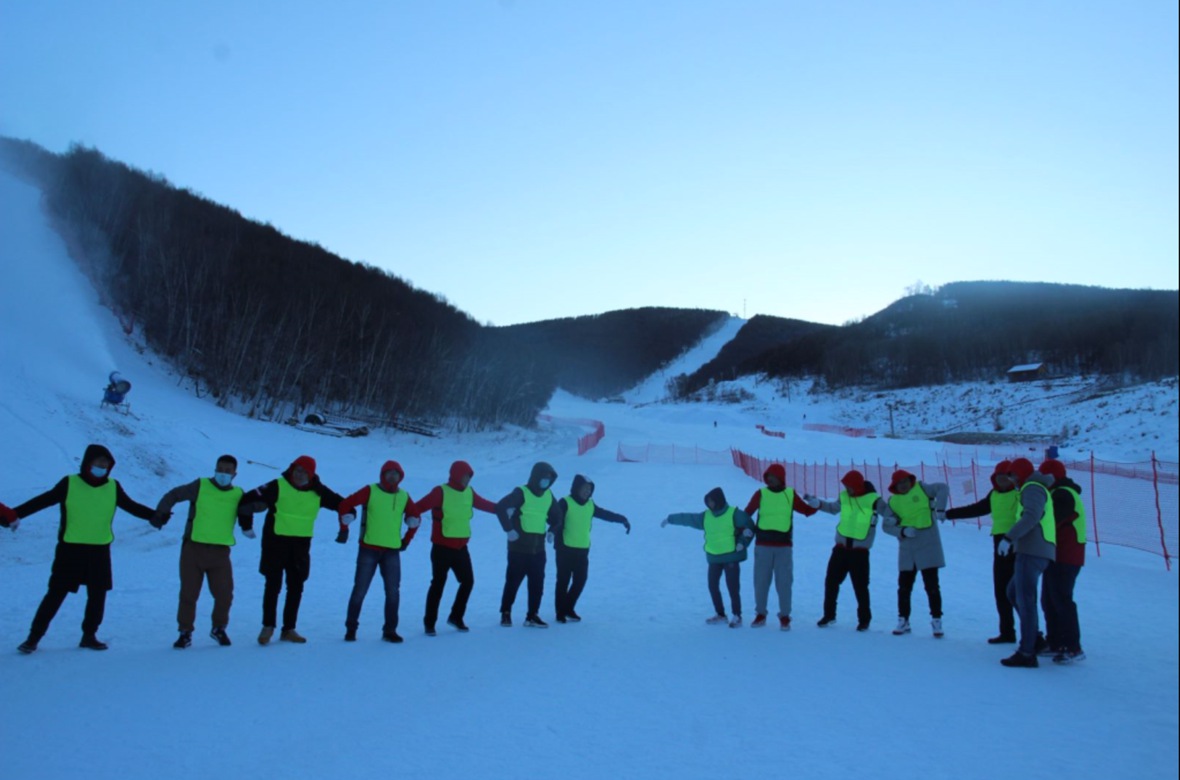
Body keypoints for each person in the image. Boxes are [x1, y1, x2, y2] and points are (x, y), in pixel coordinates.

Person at [10, 444, 156, 653]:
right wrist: (13, 514)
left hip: (99, 550)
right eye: (98, 463)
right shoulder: (70, 483)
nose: (101, 467)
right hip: (70, 550)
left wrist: (155, 515)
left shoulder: (113, 486)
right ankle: (33, 637)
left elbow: (131, 506)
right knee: (55, 594)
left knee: (98, 596)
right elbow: (43, 501)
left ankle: (89, 636)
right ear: (87, 463)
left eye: (105, 464)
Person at [239, 455, 344, 645]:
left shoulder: (318, 491)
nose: (299, 474)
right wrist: (246, 525)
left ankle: (289, 629)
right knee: (273, 586)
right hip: (274, 544)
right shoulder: (277, 485)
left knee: (296, 587)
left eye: (304, 471)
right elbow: (246, 499)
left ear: (311, 474)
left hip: (300, 547)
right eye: (297, 469)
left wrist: (349, 515)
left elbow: (341, 503)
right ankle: (268, 626)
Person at [154, 454, 256, 649]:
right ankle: (185, 632)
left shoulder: (238, 494)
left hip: (220, 553)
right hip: (193, 549)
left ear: (235, 474)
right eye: (220, 469)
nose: (223, 474)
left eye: (228, 471)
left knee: (224, 595)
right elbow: (173, 495)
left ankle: (219, 628)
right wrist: (161, 513)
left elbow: (257, 504)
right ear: (215, 469)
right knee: (189, 594)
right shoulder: (200, 486)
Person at [335, 460, 420, 644]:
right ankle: (351, 629)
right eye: (388, 473)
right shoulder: (370, 490)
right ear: (382, 475)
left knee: (393, 593)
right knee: (360, 590)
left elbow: (415, 518)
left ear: (400, 477)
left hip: (391, 551)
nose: (392, 476)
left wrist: (406, 539)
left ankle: (390, 630)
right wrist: (344, 527)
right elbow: (345, 504)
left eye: (396, 473)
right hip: (368, 549)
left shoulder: (404, 496)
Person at [412, 460, 498, 635]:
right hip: (441, 548)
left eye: (469, 476)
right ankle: (429, 623)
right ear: (457, 475)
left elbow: (485, 504)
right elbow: (418, 507)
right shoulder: (440, 492)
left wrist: (503, 509)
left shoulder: (469, 493)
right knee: (438, 584)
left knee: (468, 582)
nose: (468, 480)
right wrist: (407, 514)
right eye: (466, 476)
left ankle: (456, 617)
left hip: (461, 548)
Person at [945, 460, 1021, 644]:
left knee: (1019, 594)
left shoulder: (1020, 494)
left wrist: (1013, 539)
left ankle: (1033, 635)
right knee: (1001, 591)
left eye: (1006, 476)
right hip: (999, 545)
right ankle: (1007, 632)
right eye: (999, 476)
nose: (1002, 480)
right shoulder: (993, 495)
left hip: (1018, 545)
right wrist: (949, 514)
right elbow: (977, 509)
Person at [661, 487, 757, 627]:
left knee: (732, 588)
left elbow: (749, 528)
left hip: (731, 557)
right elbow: (688, 518)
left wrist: (742, 543)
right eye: (708, 502)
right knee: (713, 586)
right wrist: (670, 519)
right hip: (714, 558)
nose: (710, 505)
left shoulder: (734, 514)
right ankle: (720, 614)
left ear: (719, 500)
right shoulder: (706, 516)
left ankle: (737, 616)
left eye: (712, 501)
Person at [995, 457, 1057, 668]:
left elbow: (1031, 516)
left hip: (1032, 551)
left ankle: (1027, 651)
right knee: (1013, 593)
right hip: (1036, 549)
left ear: (1020, 473)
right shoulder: (1033, 488)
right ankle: (1035, 640)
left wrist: (1009, 537)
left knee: (1025, 599)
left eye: (1012, 475)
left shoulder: (1032, 488)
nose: (1011, 480)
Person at [805, 469, 883, 631]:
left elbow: (890, 512)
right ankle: (829, 615)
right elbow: (833, 508)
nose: (847, 489)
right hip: (840, 549)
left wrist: (897, 521)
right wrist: (818, 504)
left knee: (860, 586)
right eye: (846, 485)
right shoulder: (844, 496)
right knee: (831, 582)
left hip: (860, 552)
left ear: (858, 485)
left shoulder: (874, 500)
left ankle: (864, 619)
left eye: (850, 486)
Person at [742, 463, 818, 630]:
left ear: (781, 478)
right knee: (761, 581)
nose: (771, 480)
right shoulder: (760, 494)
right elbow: (746, 513)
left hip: (784, 546)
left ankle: (785, 616)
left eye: (774, 477)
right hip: (762, 545)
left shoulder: (789, 494)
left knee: (784, 582)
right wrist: (740, 527)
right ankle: (760, 614)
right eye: (769, 477)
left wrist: (814, 503)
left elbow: (806, 510)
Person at [550, 474, 630, 623]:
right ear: (576, 488)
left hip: (582, 550)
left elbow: (605, 514)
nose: (587, 491)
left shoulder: (590, 505)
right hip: (564, 549)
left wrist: (622, 519)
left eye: (589, 489)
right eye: (584, 488)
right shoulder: (565, 502)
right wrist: (552, 532)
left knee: (580, 580)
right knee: (563, 581)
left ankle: (568, 607)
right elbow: (557, 520)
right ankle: (560, 612)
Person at [880, 469, 950, 638]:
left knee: (932, 585)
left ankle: (936, 620)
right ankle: (903, 620)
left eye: (905, 481)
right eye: (899, 483)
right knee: (904, 586)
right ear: (894, 486)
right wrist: (902, 531)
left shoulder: (923, 489)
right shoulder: (894, 502)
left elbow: (943, 488)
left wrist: (940, 509)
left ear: (911, 480)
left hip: (928, 543)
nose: (903, 485)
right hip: (908, 547)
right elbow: (886, 526)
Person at [496, 462, 560, 628]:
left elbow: (558, 516)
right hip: (518, 548)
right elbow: (500, 507)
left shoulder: (548, 495)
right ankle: (506, 612)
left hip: (538, 549)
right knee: (513, 581)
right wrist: (508, 530)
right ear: (536, 477)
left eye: (549, 479)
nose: (546, 482)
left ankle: (532, 615)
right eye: (544, 478)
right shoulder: (521, 492)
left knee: (537, 583)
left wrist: (552, 530)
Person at [1038, 458, 1086, 665]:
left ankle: (1072, 647)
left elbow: (1052, 521)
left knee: (1061, 600)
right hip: (1056, 553)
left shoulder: (1063, 495)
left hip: (1067, 555)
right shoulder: (1057, 493)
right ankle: (1056, 642)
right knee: (1049, 600)